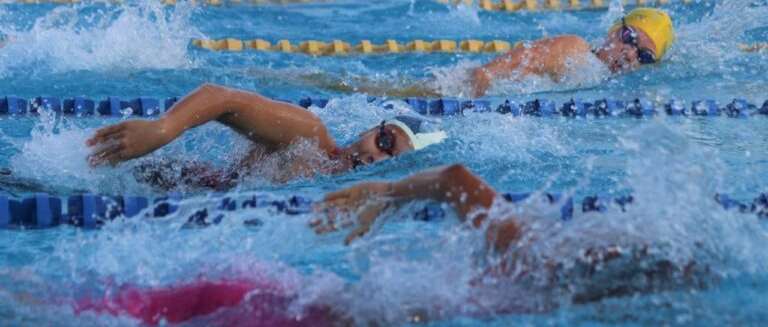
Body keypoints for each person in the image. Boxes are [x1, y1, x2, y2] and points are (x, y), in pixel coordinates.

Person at [69, 164, 701, 324]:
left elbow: (455, 182)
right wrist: (383, 193)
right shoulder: (536, 271)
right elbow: (456, 180)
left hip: (287, 298)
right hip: (299, 312)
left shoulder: (534, 260)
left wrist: (386, 195)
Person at [86, 84, 446, 186]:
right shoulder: (310, 137)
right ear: (372, 129)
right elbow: (222, 98)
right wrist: (161, 129)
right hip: (162, 182)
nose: (374, 158)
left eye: (390, 160)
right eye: (384, 143)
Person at [299, 7, 675, 98]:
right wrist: (477, 89)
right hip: (465, 88)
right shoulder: (575, 49)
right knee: (367, 89)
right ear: (615, 28)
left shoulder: (601, 79)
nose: (628, 53)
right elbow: (505, 66)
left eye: (642, 56)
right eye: (629, 37)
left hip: (481, 93)